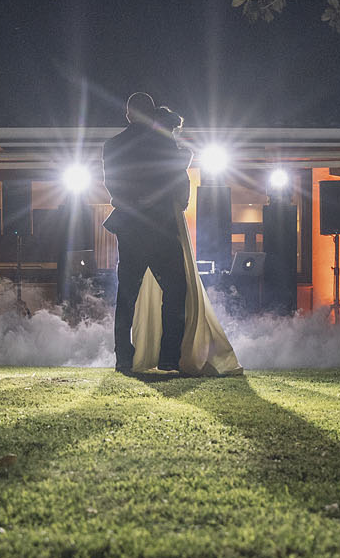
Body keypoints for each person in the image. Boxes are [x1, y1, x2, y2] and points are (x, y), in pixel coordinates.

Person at [102, 94, 239, 376]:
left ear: (127, 115)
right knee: (176, 292)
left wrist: (135, 203)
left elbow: (112, 186)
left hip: (129, 227)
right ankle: (168, 357)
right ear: (151, 114)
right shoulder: (164, 143)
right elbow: (178, 176)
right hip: (161, 228)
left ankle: (123, 358)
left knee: (127, 296)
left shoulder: (112, 145)